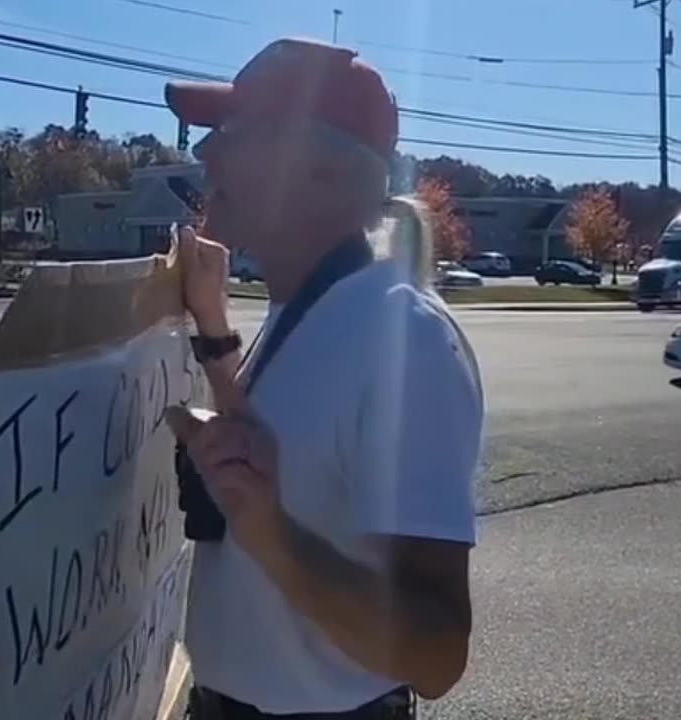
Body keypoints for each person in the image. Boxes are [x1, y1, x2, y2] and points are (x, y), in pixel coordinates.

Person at [163, 37, 485, 720]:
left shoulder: (406, 340)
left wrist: (271, 535)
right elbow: (272, 454)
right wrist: (214, 332)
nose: (205, 154)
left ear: (313, 173)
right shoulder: (304, 309)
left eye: (231, 134)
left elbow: (435, 655)